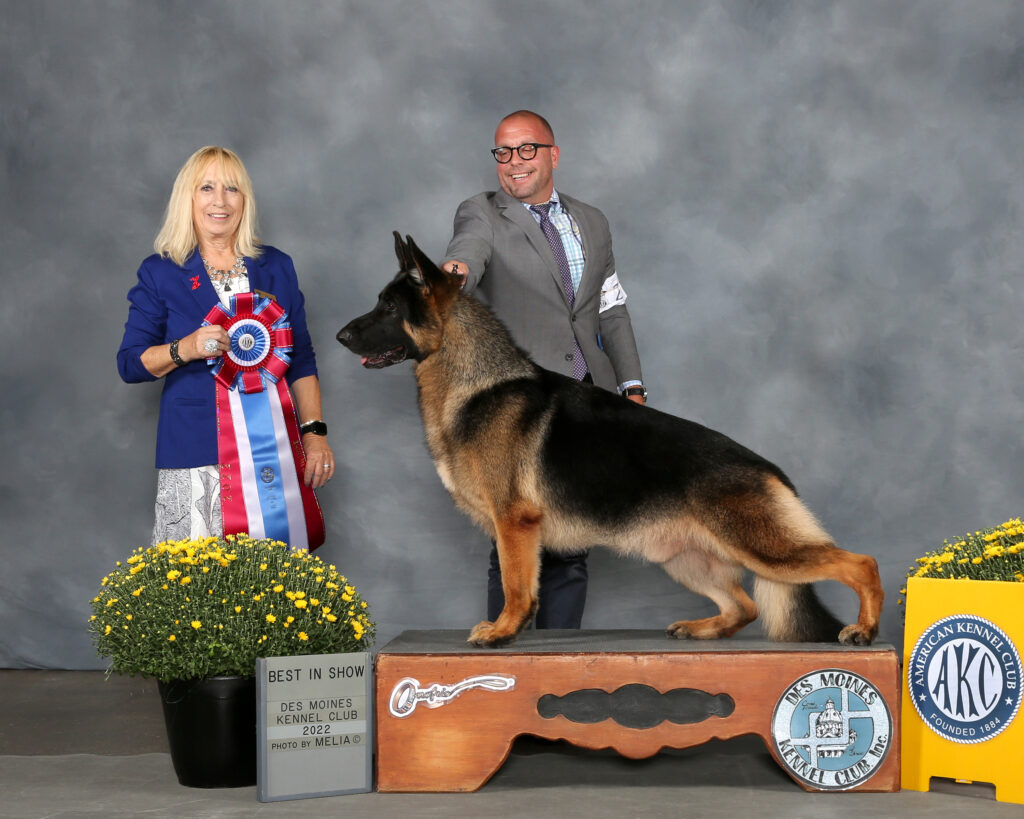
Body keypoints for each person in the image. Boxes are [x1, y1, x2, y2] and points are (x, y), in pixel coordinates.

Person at [443, 110, 646, 628]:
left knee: (572, 545)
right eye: (503, 152)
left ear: (553, 155)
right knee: (512, 535)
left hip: (585, 400)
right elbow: (467, 253)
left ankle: (559, 658)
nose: (514, 161)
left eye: (526, 149)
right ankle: (505, 657)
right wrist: (450, 279)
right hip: (518, 407)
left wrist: (631, 386)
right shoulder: (482, 213)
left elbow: (611, 309)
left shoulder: (593, 221)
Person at [117, 146, 332, 550]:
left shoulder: (277, 266)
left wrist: (315, 434)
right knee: (194, 579)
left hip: (273, 453)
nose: (220, 201)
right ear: (188, 198)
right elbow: (130, 363)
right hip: (195, 452)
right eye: (207, 188)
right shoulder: (160, 271)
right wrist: (184, 348)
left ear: (244, 200)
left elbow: (301, 359)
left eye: (232, 189)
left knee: (271, 579)